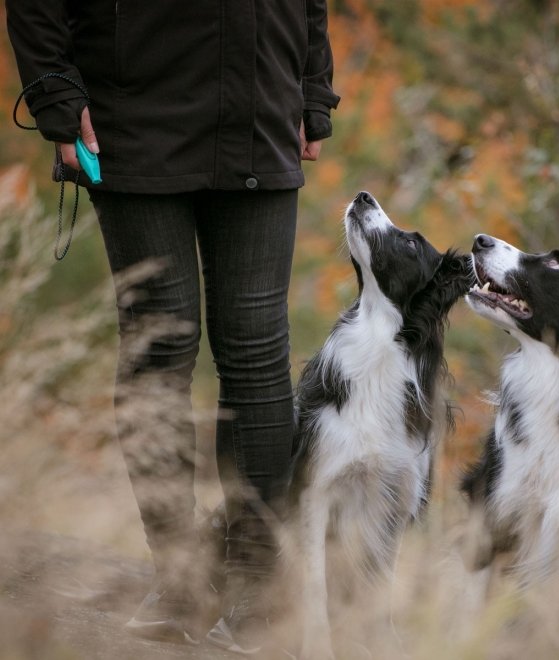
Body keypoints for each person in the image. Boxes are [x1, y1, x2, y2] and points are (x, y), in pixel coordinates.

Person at [6, 0, 339, 653]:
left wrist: (312, 88)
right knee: (161, 344)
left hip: (260, 105)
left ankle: (256, 587)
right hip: (131, 116)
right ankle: (180, 580)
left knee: (257, 349)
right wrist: (54, 91)